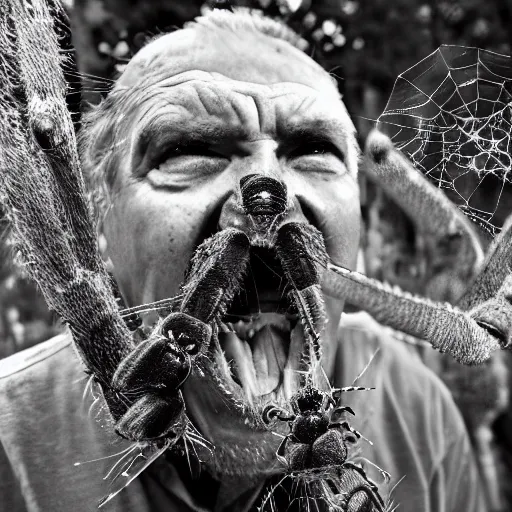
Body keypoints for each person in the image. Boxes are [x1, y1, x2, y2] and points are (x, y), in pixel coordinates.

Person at [0, 9, 486, 512]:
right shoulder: (11, 444)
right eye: (188, 151)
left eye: (315, 150)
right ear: (101, 223)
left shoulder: (417, 407)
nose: (269, 191)